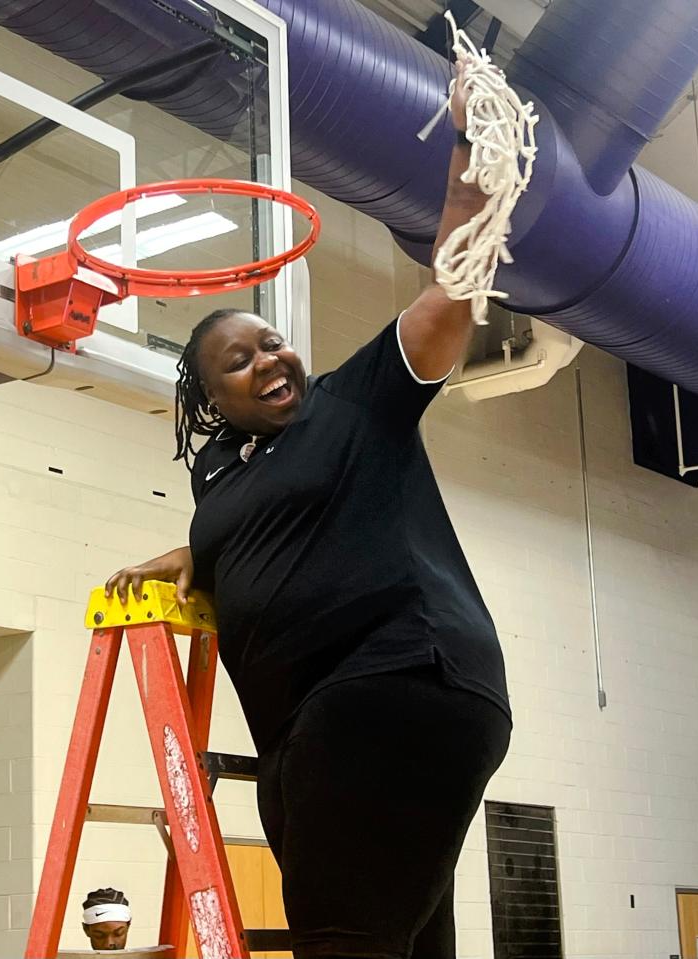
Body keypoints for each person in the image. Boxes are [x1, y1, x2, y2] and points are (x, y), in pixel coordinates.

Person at [107, 59, 511, 959]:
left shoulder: (351, 402)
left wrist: (470, 156)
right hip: (308, 725)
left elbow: (449, 296)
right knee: (402, 939)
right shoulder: (222, 476)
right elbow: (256, 535)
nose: (271, 359)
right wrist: (192, 555)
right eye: (242, 361)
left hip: (392, 683)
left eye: (273, 341)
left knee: (340, 940)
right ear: (213, 400)